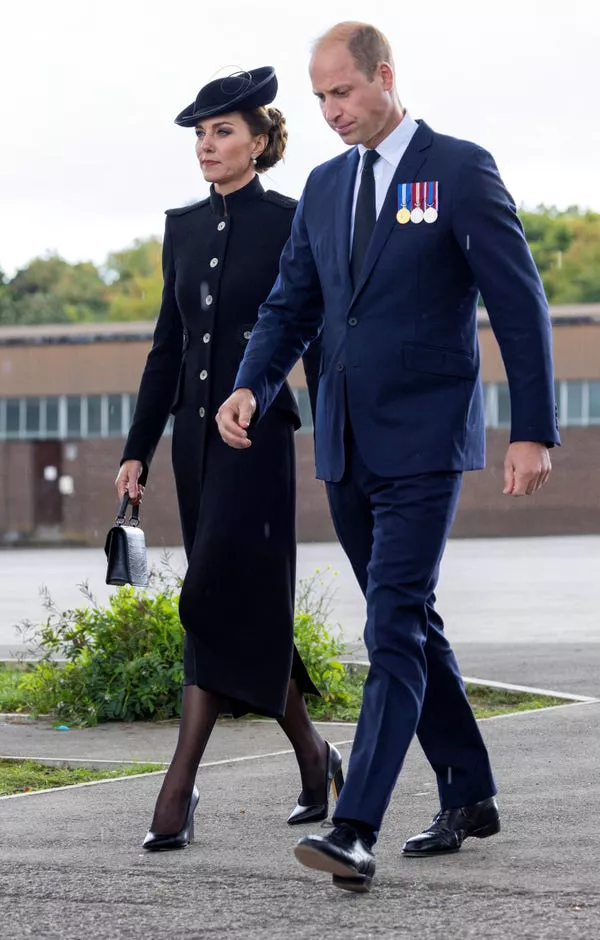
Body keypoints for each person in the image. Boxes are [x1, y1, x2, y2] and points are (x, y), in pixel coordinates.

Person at [217, 24, 560, 892]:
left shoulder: (457, 169)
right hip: (345, 445)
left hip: (424, 439)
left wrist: (532, 428)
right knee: (410, 622)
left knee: (392, 628)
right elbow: (291, 303)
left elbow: (518, 303)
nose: (331, 112)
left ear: (384, 77)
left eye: (343, 93)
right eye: (320, 98)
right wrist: (252, 383)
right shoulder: (328, 187)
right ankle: (470, 790)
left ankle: (355, 825)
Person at [115, 66, 343, 852]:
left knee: (211, 591)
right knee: (238, 602)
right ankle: (314, 757)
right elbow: (166, 348)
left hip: (258, 438)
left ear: (259, 140)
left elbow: (310, 327)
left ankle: (177, 790)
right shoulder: (181, 226)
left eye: (223, 132)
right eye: (201, 135)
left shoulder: (290, 218)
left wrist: (334, 426)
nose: (208, 146)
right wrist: (135, 451)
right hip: (191, 444)